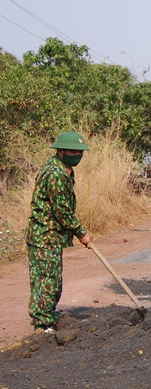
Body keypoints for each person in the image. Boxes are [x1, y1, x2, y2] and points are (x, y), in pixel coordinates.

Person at [26, 131, 93, 332]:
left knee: (44, 278)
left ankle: (45, 317)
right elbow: (62, 211)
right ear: (61, 151)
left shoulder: (59, 167)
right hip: (45, 234)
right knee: (49, 281)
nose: (77, 155)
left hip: (44, 234)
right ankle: (44, 324)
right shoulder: (57, 174)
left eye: (80, 152)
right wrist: (82, 233)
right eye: (73, 151)